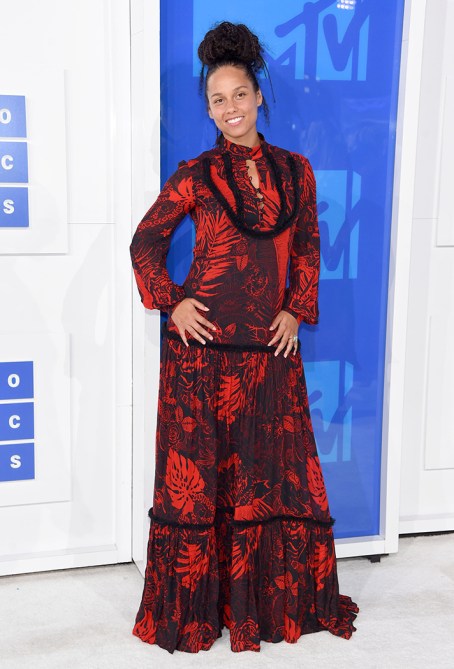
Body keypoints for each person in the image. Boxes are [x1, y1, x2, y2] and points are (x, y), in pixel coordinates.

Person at [129, 21, 359, 654]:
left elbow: (307, 248)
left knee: (269, 480)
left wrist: (295, 311)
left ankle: (264, 605)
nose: (230, 108)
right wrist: (173, 302)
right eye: (217, 100)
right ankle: (200, 611)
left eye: (239, 95)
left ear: (258, 96)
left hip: (267, 356)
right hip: (201, 360)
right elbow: (145, 242)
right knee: (201, 486)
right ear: (208, 110)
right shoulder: (196, 174)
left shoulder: (297, 172)